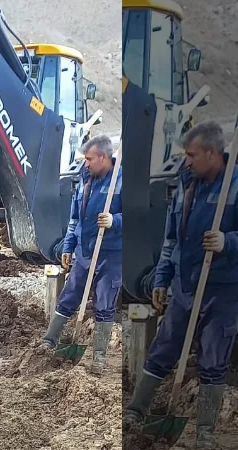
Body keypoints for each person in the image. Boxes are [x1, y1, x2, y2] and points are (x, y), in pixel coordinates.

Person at [124, 121, 238, 448]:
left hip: (222, 291)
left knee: (214, 361)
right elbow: (171, 239)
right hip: (185, 289)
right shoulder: (187, 184)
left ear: (212, 153)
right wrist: (162, 278)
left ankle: (205, 432)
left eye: (192, 155)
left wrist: (227, 241)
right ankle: (136, 411)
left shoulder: (235, 184)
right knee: (162, 350)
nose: (186, 161)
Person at [38, 134, 122, 375]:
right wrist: (68, 245)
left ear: (104, 158)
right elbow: (75, 218)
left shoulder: (123, 181)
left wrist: (114, 220)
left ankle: (99, 358)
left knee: (105, 304)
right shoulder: (86, 179)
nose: (86, 164)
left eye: (89, 159)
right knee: (69, 295)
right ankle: (49, 340)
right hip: (85, 252)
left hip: (111, 255)